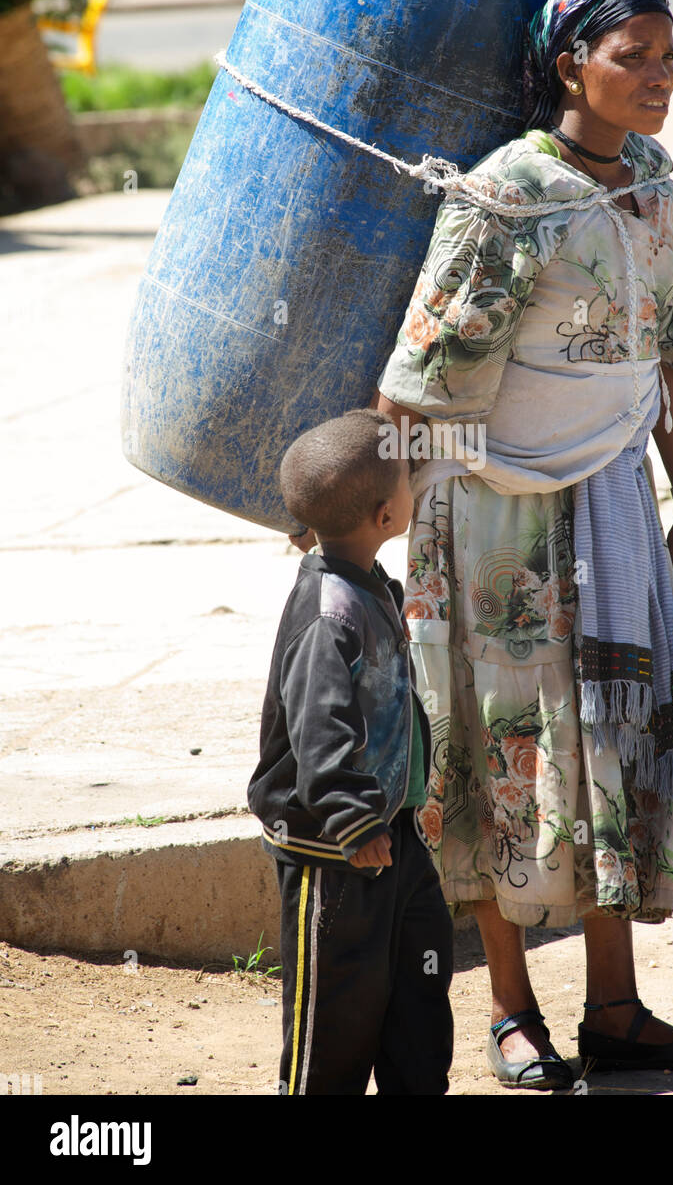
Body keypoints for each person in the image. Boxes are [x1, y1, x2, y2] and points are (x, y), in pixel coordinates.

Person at [372, 0, 673, 1089]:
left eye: (667, 55)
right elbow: (417, 381)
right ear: (568, 64)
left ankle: (616, 1007)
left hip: (616, 507)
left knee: (614, 740)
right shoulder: (506, 196)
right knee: (501, 749)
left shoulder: (655, 181)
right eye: (631, 54)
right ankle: (510, 1010)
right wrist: (385, 530)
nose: (658, 76)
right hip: (492, 521)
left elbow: (671, 350)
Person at [248, 407, 454, 1095]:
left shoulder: (368, 584)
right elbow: (318, 728)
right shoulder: (328, 616)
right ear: (384, 513)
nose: (412, 484)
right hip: (332, 853)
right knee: (333, 1017)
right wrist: (352, 818)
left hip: (391, 840)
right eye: (405, 477)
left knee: (416, 998)